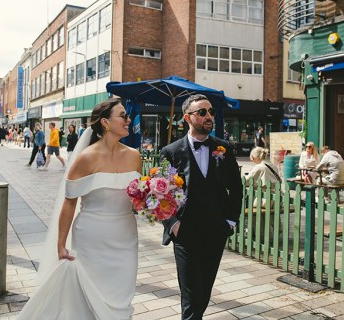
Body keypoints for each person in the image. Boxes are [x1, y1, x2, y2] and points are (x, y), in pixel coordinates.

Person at [17, 99, 141, 319]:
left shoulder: (135, 156)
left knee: (122, 293)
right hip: (92, 237)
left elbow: (136, 197)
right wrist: (61, 244)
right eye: (123, 116)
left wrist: (155, 202)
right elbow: (70, 202)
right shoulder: (86, 158)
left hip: (125, 235)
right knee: (89, 293)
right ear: (105, 122)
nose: (128, 120)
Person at [160, 94, 243, 320]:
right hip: (185, 231)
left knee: (204, 290)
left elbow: (236, 189)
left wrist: (230, 222)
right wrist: (173, 223)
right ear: (188, 117)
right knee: (190, 292)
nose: (209, 116)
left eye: (211, 112)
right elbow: (161, 194)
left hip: (216, 230)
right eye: (203, 112)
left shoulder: (224, 148)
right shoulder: (171, 152)